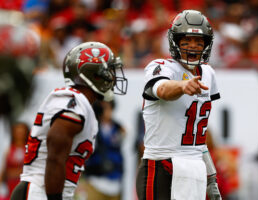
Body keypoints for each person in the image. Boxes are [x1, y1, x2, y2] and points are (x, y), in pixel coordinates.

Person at [10, 41, 128, 200]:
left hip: (46, 191)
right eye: (108, 71)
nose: (113, 77)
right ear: (93, 74)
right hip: (41, 192)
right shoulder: (73, 100)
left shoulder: (82, 104)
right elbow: (55, 152)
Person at [136, 10, 222, 200]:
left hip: (194, 167)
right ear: (175, 42)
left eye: (199, 41)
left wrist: (211, 177)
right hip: (160, 165)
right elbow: (161, 89)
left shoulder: (208, 73)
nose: (193, 46)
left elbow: (199, 141)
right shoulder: (161, 67)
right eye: (186, 40)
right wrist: (183, 86)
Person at [79, 100, 126, 200]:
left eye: (109, 108)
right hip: (95, 183)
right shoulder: (91, 128)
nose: (106, 111)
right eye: (103, 108)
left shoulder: (118, 129)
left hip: (115, 185)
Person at [0, 122, 29, 200]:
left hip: (24, 186)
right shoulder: (9, 150)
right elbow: (4, 170)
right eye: (17, 132)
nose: (19, 134)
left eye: (22, 132)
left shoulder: (29, 149)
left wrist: (14, 172)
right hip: (10, 186)